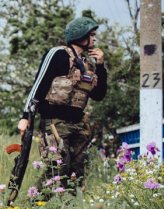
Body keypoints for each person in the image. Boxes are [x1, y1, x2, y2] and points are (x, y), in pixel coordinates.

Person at [18, 16, 107, 193]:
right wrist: (25, 117)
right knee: (56, 169)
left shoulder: (89, 63)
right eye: (92, 35)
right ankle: (34, 206)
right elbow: (39, 85)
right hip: (54, 123)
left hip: (79, 125)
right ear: (81, 36)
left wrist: (101, 67)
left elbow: (98, 95)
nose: (94, 39)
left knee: (76, 175)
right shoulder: (58, 54)